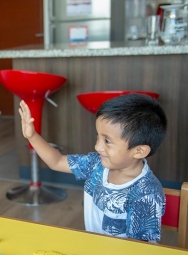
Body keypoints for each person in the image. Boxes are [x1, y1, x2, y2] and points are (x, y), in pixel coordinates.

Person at [18, 93, 167, 241]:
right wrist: (32, 136)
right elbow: (57, 161)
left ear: (139, 151)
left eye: (107, 141)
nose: (97, 147)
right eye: (98, 137)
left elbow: (139, 248)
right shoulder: (97, 164)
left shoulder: (146, 193)